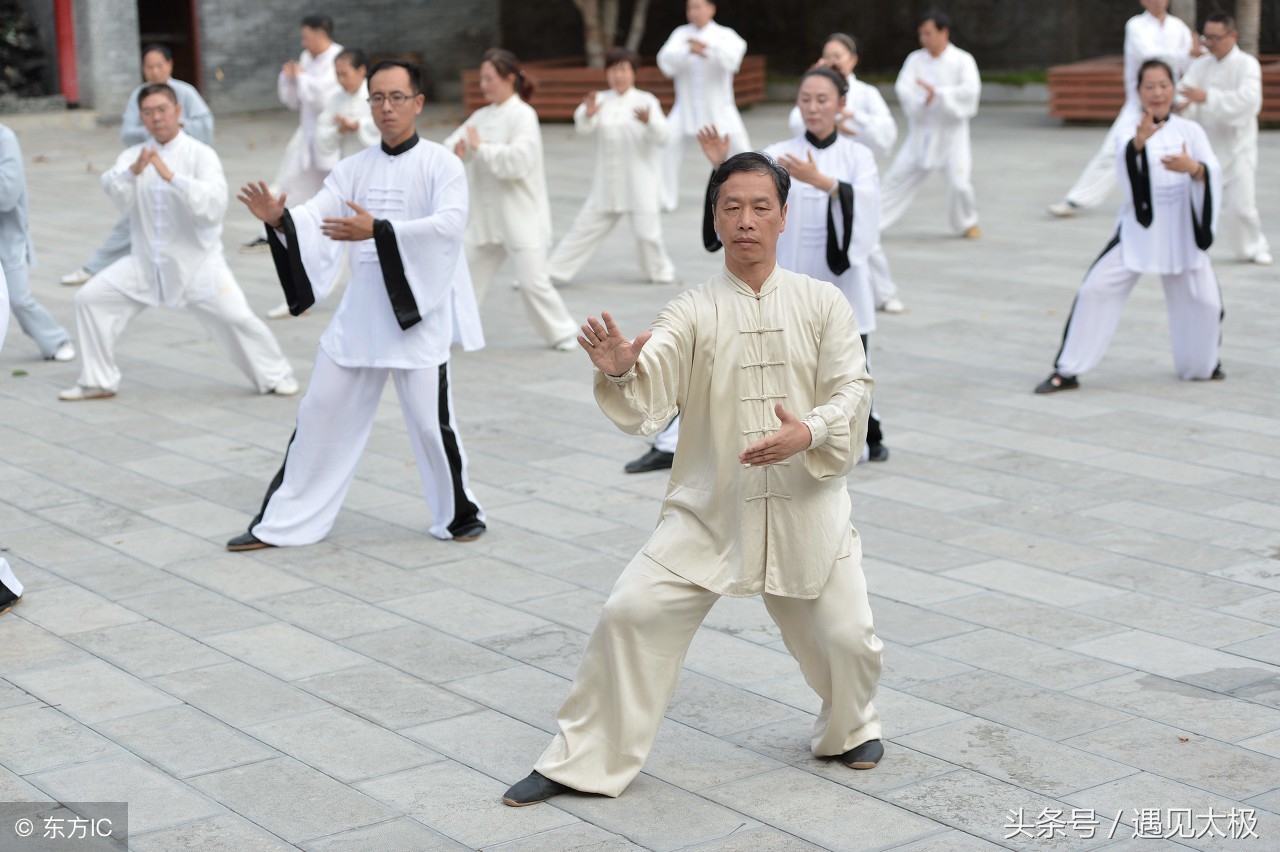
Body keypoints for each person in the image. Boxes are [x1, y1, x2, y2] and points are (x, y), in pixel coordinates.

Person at [502, 152, 884, 807]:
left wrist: (810, 431)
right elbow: (653, 380)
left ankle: (851, 727)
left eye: (761, 207)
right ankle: (583, 760)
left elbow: (853, 386)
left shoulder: (824, 304)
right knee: (630, 611)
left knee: (847, 639)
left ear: (784, 217)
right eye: (731, 207)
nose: (746, 221)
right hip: (712, 510)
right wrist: (623, 368)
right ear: (714, 218)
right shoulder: (693, 309)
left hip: (806, 503)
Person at [227, 60, 486, 551]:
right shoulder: (353, 168)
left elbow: (450, 227)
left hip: (417, 315)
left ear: (418, 103)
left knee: (432, 424)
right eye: (377, 98)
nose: (386, 107)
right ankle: (283, 522)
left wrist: (381, 231)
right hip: (360, 317)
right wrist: (282, 220)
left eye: (396, 97)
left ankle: (459, 514)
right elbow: (317, 215)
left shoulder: (441, 164)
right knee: (319, 411)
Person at [58, 84, 297, 402]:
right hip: (145, 263)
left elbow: (213, 207)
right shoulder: (134, 155)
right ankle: (98, 380)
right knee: (90, 299)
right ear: (141, 118)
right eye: (148, 112)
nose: (156, 118)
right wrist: (133, 172)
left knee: (237, 318)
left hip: (198, 263)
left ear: (178, 112)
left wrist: (172, 177)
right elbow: (115, 192)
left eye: (162, 110)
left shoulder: (201, 155)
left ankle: (275, 375)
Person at [700, 68, 890, 461]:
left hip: (844, 279)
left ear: (841, 104)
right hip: (794, 273)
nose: (813, 108)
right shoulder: (778, 153)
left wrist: (824, 182)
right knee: (794, 357)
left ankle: (859, 435)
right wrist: (720, 166)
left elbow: (870, 206)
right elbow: (742, 194)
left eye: (822, 100)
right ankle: (791, 432)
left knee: (850, 364)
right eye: (806, 99)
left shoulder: (857, 154)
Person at [1036, 59, 1223, 395]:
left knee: (1207, 302)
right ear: (1138, 92)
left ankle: (1202, 364)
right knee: (1095, 289)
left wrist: (1192, 167)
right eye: (1149, 86)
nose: (1157, 93)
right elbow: (1125, 163)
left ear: (1173, 88)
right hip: (1142, 229)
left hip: (1183, 230)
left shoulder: (1191, 131)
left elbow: (1212, 173)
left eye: (1164, 85)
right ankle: (1068, 369)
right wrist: (1138, 144)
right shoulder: (1128, 131)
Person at [444, 49, 580, 350]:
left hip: (519, 216)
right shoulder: (480, 116)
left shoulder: (524, 116)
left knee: (534, 284)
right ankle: (454, 330)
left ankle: (564, 333)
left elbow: (518, 162)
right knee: (461, 275)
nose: (483, 85)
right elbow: (452, 145)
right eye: (481, 79)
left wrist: (482, 149)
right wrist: (458, 153)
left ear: (508, 79)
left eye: (489, 78)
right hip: (486, 219)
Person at [60, 43, 214, 286]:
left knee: (196, 219)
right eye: (148, 67)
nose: (154, 71)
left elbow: (206, 126)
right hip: (148, 165)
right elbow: (127, 132)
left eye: (159, 66)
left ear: (169, 65)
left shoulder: (185, 92)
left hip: (181, 167)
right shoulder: (138, 96)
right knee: (135, 219)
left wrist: (178, 129)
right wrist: (155, 132)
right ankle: (95, 267)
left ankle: (209, 269)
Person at [786, 33, 905, 315]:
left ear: (852, 60)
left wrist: (854, 119)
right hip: (815, 172)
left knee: (867, 239)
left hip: (854, 172)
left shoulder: (866, 94)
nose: (832, 61)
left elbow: (886, 134)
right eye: (827, 56)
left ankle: (884, 293)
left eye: (838, 56)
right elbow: (796, 123)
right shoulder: (815, 89)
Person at [1048, 0, 1195, 217]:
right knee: (1112, 151)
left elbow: (1187, 67)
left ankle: (1196, 196)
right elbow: (1150, 57)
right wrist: (1185, 53)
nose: (1158, 2)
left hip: (1172, 104)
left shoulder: (1179, 27)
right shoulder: (1136, 25)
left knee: (1187, 150)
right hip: (1139, 105)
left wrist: (1182, 93)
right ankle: (1076, 200)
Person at [264, 46, 379, 320]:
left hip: (375, 180)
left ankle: (376, 301)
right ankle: (303, 295)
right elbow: (321, 132)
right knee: (328, 235)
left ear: (362, 71)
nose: (341, 80)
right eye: (337, 74)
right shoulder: (337, 98)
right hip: (345, 180)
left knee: (371, 245)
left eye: (345, 73)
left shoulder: (375, 97)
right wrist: (339, 128)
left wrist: (359, 126)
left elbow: (384, 129)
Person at [547, 48, 675, 286]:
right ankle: (550, 273)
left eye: (624, 69)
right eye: (614, 69)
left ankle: (660, 271)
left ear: (634, 73)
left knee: (648, 235)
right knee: (582, 230)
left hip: (640, 182)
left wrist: (649, 123)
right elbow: (583, 128)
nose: (619, 75)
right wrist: (588, 114)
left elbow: (664, 137)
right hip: (607, 184)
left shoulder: (646, 101)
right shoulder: (600, 100)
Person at [242, 14, 343, 253]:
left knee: (333, 187)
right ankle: (277, 229)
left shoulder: (339, 57)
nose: (303, 44)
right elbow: (297, 99)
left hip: (333, 135)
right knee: (290, 181)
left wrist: (302, 76)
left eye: (306, 37)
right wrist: (290, 79)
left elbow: (325, 98)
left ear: (320, 34)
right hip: (307, 133)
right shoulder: (307, 58)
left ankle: (327, 229)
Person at [879, 10, 981, 240]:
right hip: (921, 134)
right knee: (895, 178)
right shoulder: (915, 60)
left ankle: (967, 222)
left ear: (944, 32)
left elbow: (970, 92)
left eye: (929, 33)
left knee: (960, 184)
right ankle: (871, 221)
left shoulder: (962, 60)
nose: (924, 39)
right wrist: (922, 99)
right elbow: (904, 89)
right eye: (921, 34)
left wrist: (940, 95)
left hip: (951, 136)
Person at [1179, 12, 1271, 265]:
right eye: (1207, 37)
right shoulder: (1200, 65)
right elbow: (1183, 94)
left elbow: (1248, 102)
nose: (1210, 43)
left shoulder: (1247, 65)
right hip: (1206, 150)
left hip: (1238, 148)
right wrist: (1182, 105)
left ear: (1233, 36)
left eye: (1216, 37)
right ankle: (1193, 249)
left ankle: (1253, 248)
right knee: (1196, 205)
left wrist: (1207, 97)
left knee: (1242, 208)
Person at [656, 0, 749, 212]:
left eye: (698, 7)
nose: (694, 12)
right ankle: (665, 199)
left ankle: (749, 194)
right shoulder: (680, 34)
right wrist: (688, 51)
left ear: (711, 9)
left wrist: (707, 49)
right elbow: (665, 63)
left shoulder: (725, 35)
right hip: (685, 108)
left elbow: (733, 61)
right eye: (690, 8)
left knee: (741, 151)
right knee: (666, 146)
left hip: (719, 109)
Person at [0, 122, 74, 362]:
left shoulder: (5, 138)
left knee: (18, 298)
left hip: (8, 238)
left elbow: (7, 195)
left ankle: (55, 339)